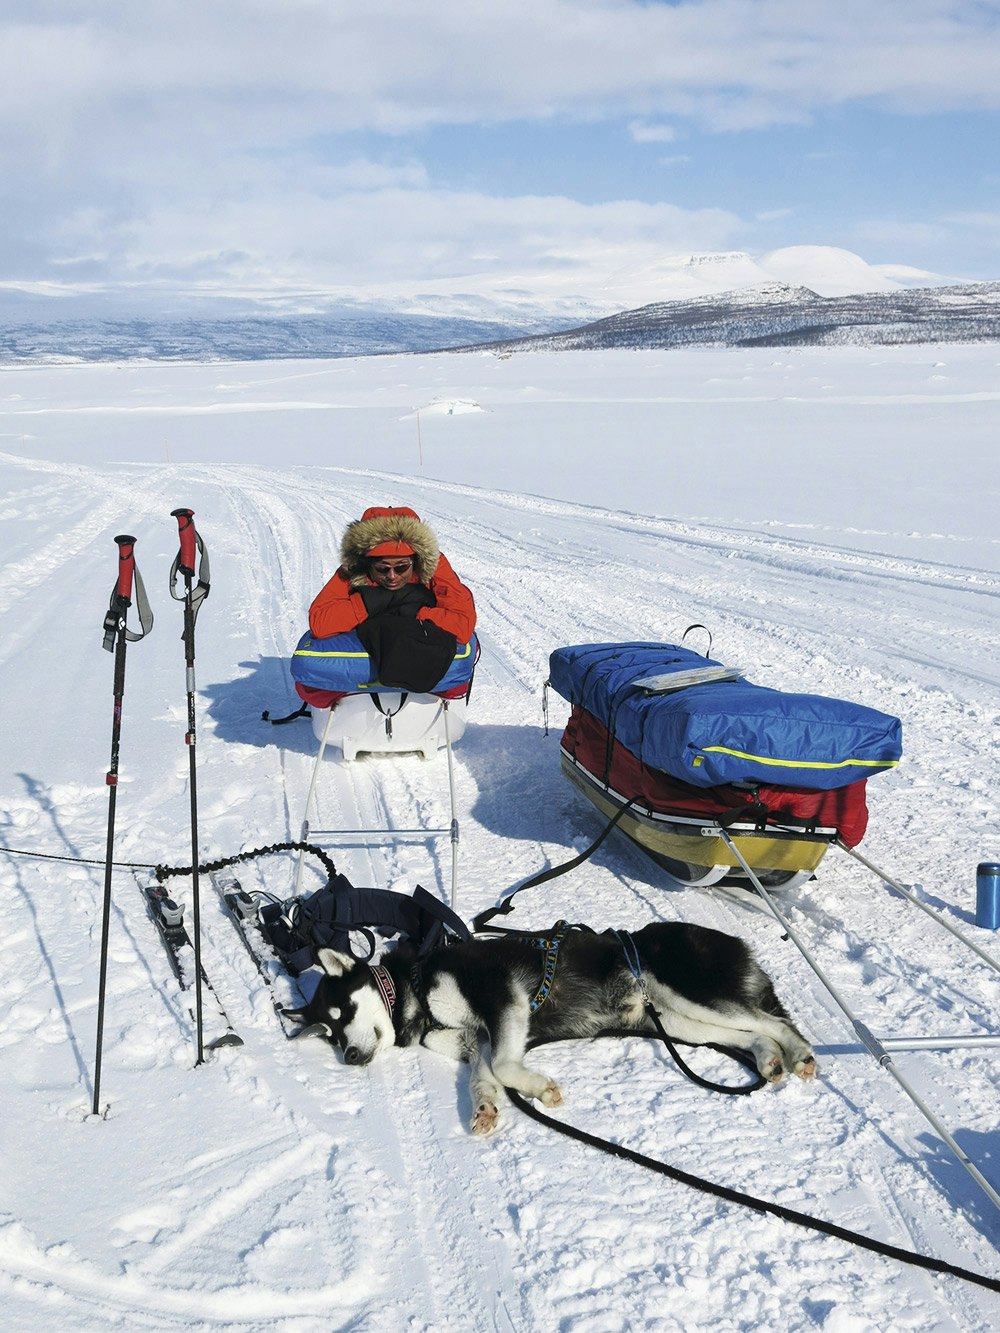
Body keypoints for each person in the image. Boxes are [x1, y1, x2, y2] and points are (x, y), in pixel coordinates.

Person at [307, 506, 476, 693]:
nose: (392, 576)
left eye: (402, 567)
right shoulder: (353, 571)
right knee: (311, 689)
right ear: (366, 563)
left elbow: (463, 627)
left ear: (417, 560)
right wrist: (370, 602)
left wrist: (416, 611)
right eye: (382, 568)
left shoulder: (435, 568)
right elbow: (319, 624)